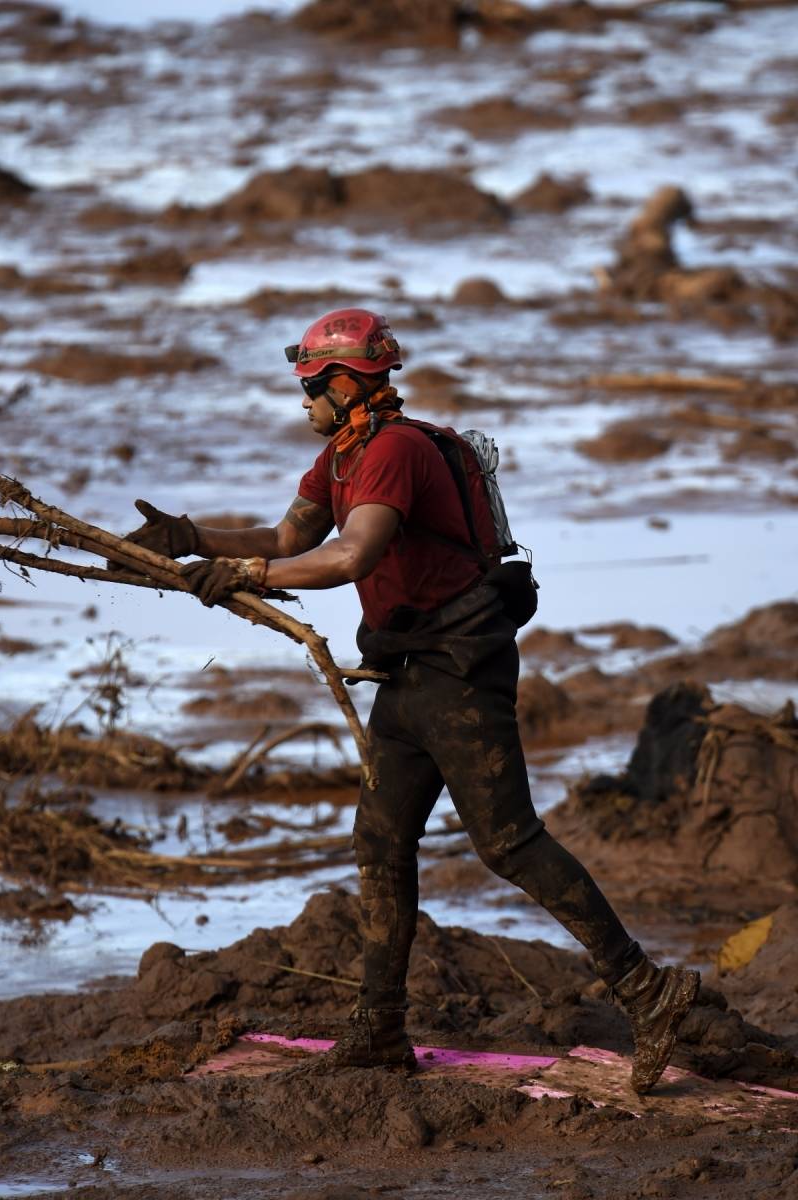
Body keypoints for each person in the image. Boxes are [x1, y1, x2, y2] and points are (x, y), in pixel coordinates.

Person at [123, 307, 699, 1095]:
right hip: (406, 673)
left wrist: (247, 576)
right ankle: (381, 1030)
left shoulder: (391, 452)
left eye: (310, 387)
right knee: (381, 845)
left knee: (509, 843)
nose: (302, 403)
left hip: (460, 671)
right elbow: (293, 539)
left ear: (345, 383)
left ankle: (647, 989)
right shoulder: (343, 455)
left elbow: (350, 554)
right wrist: (192, 538)